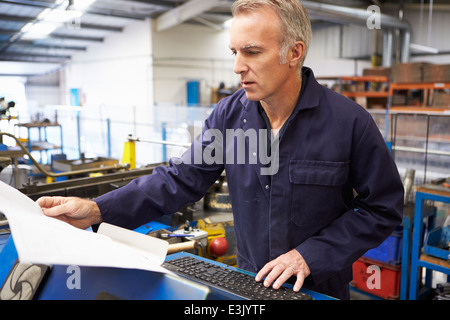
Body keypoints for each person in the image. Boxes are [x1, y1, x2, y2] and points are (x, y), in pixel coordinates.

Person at [37, 0, 403, 300]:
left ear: (294, 52)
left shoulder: (349, 123)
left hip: (318, 291)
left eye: (252, 52)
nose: (237, 66)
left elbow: (382, 208)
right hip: (246, 289)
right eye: (234, 51)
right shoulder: (230, 117)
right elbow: (179, 180)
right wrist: (98, 209)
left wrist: (311, 255)